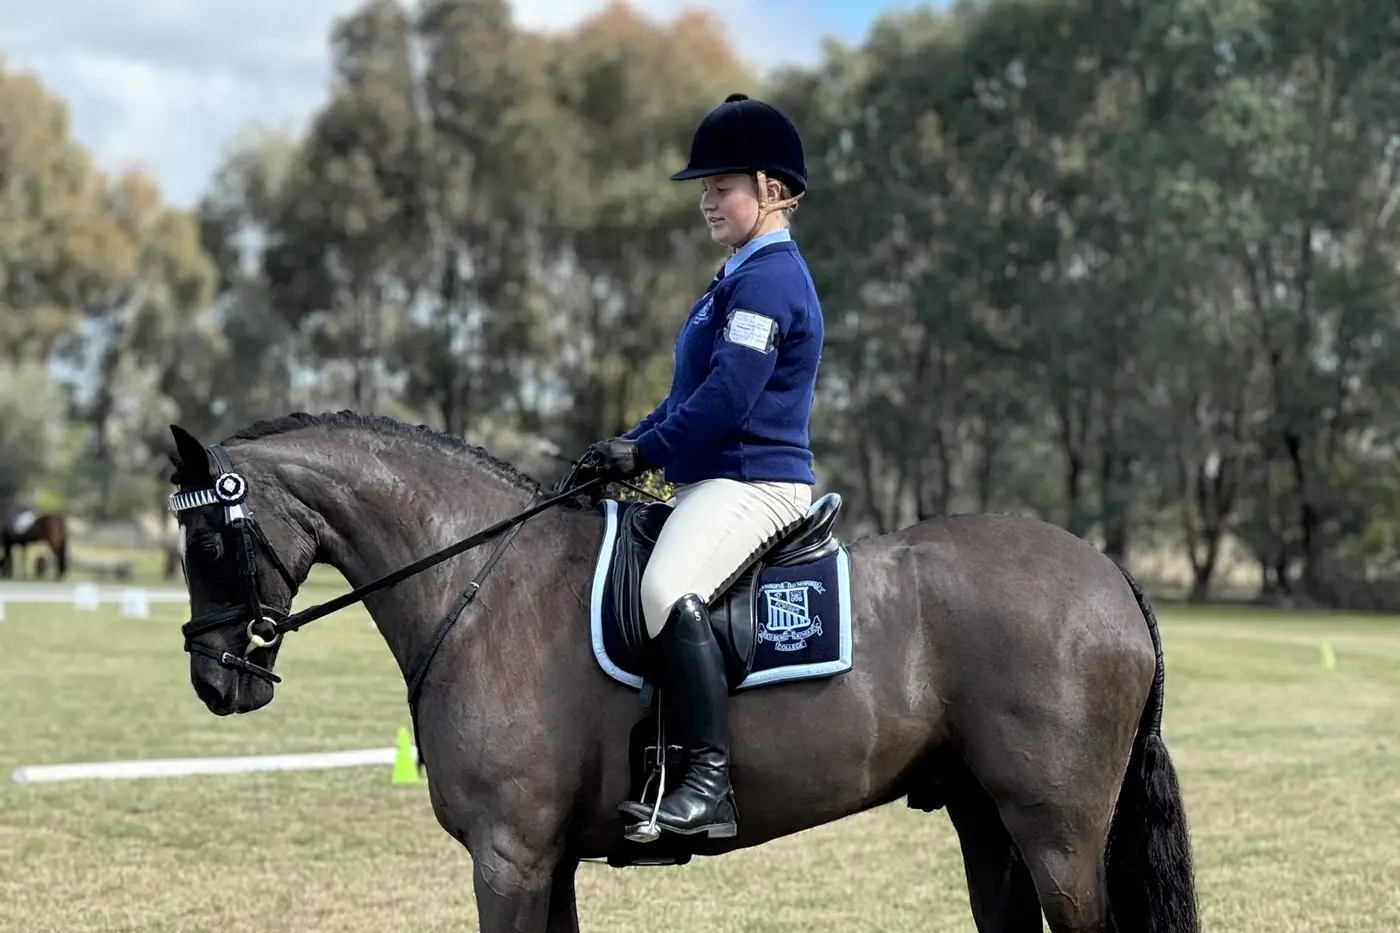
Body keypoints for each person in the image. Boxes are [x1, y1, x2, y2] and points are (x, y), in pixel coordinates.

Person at [572, 92, 824, 841]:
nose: (708, 202)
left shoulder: (769, 281)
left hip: (757, 482)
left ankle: (708, 784)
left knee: (666, 585)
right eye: (704, 190)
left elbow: (729, 398)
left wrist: (646, 452)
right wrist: (622, 445)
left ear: (772, 189)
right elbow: (689, 395)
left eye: (723, 187)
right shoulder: (734, 278)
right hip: (716, 478)